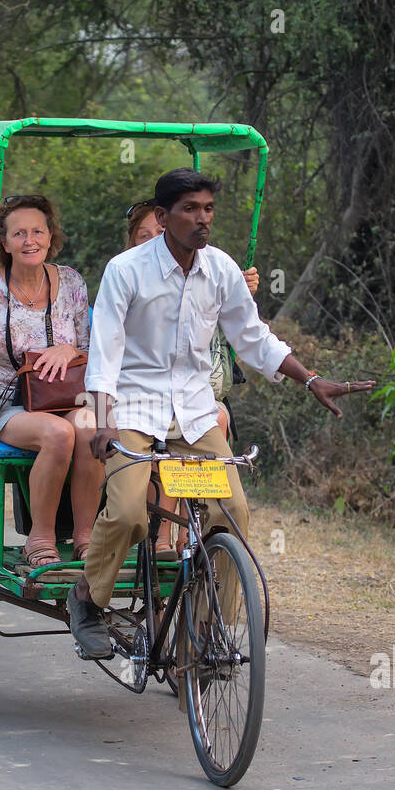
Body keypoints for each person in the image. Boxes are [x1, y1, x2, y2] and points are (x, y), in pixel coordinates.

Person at [67, 168, 377, 659]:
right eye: (190, 209)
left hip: (194, 411)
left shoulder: (221, 270)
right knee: (128, 513)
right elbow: (104, 354)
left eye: (208, 209)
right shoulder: (126, 270)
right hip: (132, 408)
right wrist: (103, 422)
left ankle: (208, 630)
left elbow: (252, 339)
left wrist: (311, 379)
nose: (202, 219)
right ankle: (87, 598)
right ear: (164, 216)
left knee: (232, 510)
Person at [0, 194, 101, 569]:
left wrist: (67, 351)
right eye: (19, 233)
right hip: (0, 402)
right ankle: (41, 538)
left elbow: (88, 350)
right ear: (4, 242)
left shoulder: (71, 282)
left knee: (89, 426)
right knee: (58, 434)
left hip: (60, 397)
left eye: (37, 231)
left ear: (51, 236)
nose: (29, 240)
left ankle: (86, 538)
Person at [124, 197, 259, 559]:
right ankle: (164, 528)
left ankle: (193, 534)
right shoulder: (128, 279)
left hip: (197, 397)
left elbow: (248, 335)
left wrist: (240, 295)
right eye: (144, 236)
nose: (156, 240)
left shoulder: (206, 276)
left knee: (211, 418)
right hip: (138, 399)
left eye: (161, 232)